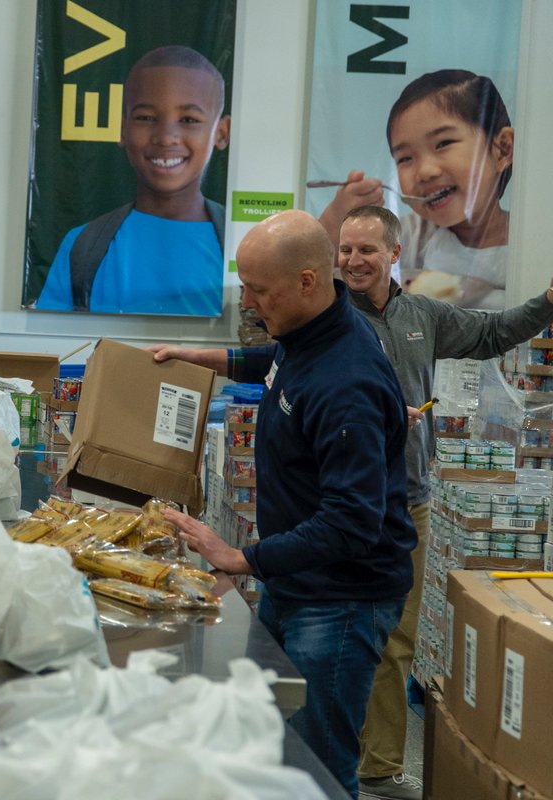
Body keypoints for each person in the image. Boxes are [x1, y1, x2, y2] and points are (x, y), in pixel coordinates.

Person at [152, 210, 416, 799]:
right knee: (272, 745)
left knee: (316, 769)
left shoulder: (346, 382)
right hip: (295, 582)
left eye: (258, 290)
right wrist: (197, 359)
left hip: (340, 600)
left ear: (305, 281)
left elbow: (353, 523)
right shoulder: (308, 335)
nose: (247, 302)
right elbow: (271, 365)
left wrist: (243, 558)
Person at [338, 204, 553, 799]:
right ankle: (325, 751)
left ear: (393, 254)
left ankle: (378, 766)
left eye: (366, 250)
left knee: (396, 637)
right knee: (336, 629)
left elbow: (490, 334)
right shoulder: (325, 319)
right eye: (345, 250)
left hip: (409, 502)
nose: (353, 261)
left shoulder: (421, 317)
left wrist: (548, 302)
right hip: (339, 504)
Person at [34, 45, 230, 315]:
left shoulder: (241, 244)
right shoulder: (82, 245)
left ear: (221, 132)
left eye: (188, 119)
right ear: (122, 128)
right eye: (146, 117)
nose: (165, 137)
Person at [318, 69, 514, 310]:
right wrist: (337, 217)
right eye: (405, 158)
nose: (425, 172)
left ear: (502, 149)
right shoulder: (409, 236)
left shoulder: (531, 239)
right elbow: (310, 276)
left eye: (443, 143)